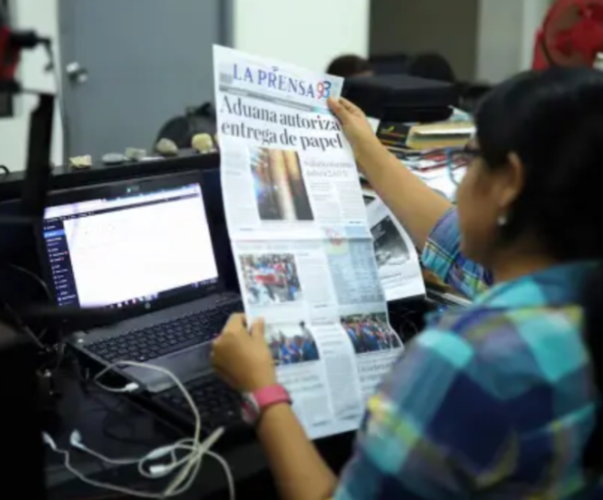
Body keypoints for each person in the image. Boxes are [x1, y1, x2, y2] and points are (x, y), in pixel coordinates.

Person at [212, 67, 603, 499]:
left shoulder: (466, 360)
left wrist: (262, 393)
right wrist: (367, 148)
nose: (460, 183)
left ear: (509, 182)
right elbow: (447, 236)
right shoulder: (576, 299)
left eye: (470, 159)